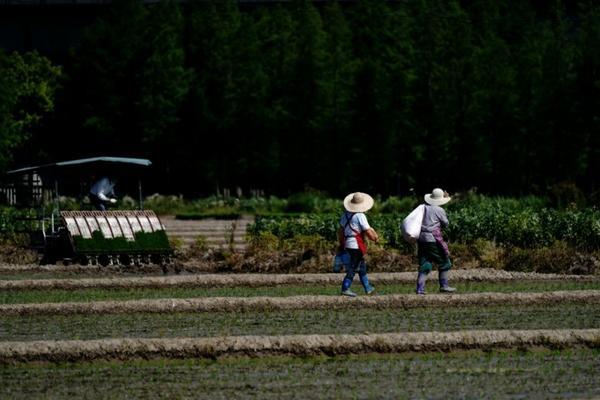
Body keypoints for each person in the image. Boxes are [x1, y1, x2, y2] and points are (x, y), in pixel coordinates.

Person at [338, 192, 379, 297]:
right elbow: (368, 231)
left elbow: (341, 232)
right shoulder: (360, 216)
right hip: (356, 245)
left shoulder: (345, 215)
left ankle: (368, 288)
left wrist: (342, 243)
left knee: (361, 266)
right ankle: (345, 288)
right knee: (354, 266)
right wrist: (375, 238)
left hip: (348, 244)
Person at [416, 188, 456, 294]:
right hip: (432, 239)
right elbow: (446, 223)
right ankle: (444, 286)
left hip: (421, 238)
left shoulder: (423, 208)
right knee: (445, 262)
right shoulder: (439, 210)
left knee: (425, 263)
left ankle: (420, 289)